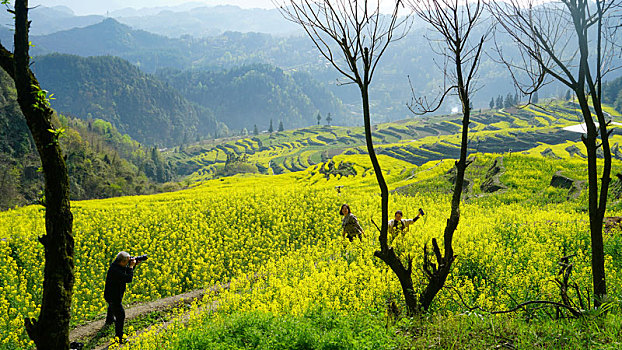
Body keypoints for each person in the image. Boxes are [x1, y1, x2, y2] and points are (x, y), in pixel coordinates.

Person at [104, 251, 141, 343]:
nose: (128, 263)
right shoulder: (116, 270)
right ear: (122, 261)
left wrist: (134, 265)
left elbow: (125, 272)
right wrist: (131, 266)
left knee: (112, 306)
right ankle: (119, 336)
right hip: (114, 296)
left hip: (110, 295)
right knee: (120, 315)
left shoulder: (116, 266)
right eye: (127, 261)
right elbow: (128, 278)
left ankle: (109, 320)